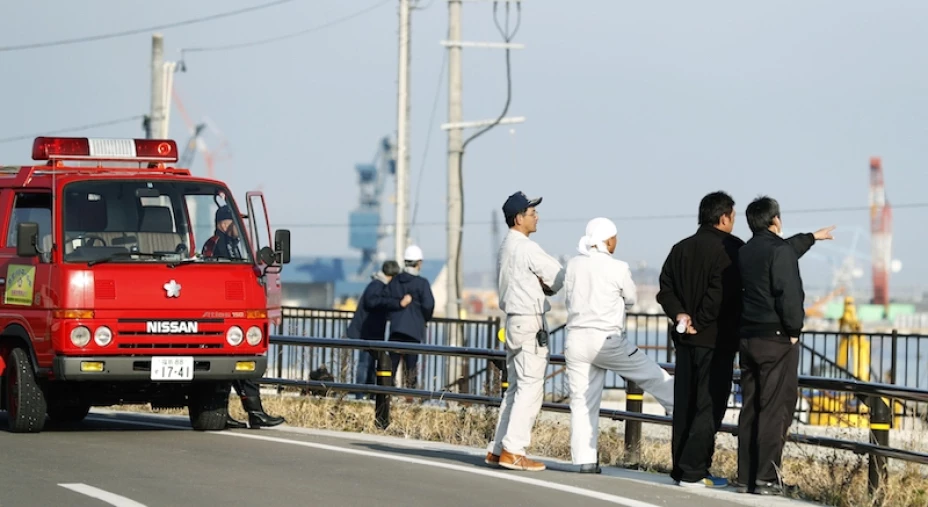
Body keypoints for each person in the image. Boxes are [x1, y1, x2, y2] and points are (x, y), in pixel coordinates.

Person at [657, 192, 835, 488]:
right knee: (709, 406)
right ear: (725, 217)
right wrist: (699, 322)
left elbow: (665, 289)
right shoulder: (731, 248)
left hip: (686, 340)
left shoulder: (681, 248)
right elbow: (722, 293)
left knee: (685, 403)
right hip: (718, 341)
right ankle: (694, 471)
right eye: (733, 217)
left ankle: (681, 468)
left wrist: (681, 317)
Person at [737, 196, 833, 495]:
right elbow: (789, 294)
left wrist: (812, 238)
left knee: (751, 407)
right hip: (776, 339)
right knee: (776, 409)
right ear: (775, 220)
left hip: (748, 338)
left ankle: (746, 477)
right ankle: (767, 478)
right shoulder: (778, 251)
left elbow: (785, 249)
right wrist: (794, 330)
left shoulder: (744, 251)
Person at [565, 217, 674, 474]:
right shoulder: (618, 267)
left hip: (576, 339)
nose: (617, 242)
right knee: (650, 374)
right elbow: (632, 298)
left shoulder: (573, 264)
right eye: (615, 238)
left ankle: (584, 460)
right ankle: (679, 406)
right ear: (608, 240)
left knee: (582, 402)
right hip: (607, 340)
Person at [485, 191, 565, 472]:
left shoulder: (506, 246)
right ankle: (514, 451)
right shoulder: (527, 247)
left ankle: (498, 449)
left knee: (516, 388)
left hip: (514, 322)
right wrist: (548, 286)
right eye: (532, 213)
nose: (537, 217)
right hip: (530, 322)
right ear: (519, 218)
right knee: (531, 388)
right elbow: (558, 276)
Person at [201, 205, 286, 429]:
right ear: (223, 223)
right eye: (235, 222)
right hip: (221, 315)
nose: (240, 228)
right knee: (239, 364)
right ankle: (253, 413)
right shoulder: (217, 245)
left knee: (236, 367)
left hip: (230, 314)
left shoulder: (230, 245)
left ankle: (246, 412)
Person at [346, 260, 411, 399]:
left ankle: (367, 393)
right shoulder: (377, 285)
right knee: (365, 364)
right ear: (392, 276)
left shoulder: (377, 284)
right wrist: (397, 303)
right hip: (367, 332)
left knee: (370, 364)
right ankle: (361, 394)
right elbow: (372, 302)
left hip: (370, 331)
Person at [386, 245, 435, 389]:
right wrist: (423, 319)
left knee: (391, 366)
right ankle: (410, 398)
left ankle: (385, 395)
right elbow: (428, 305)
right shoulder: (422, 284)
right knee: (411, 368)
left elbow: (386, 301)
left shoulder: (395, 282)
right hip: (414, 330)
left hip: (396, 329)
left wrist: (396, 308)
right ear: (419, 263)